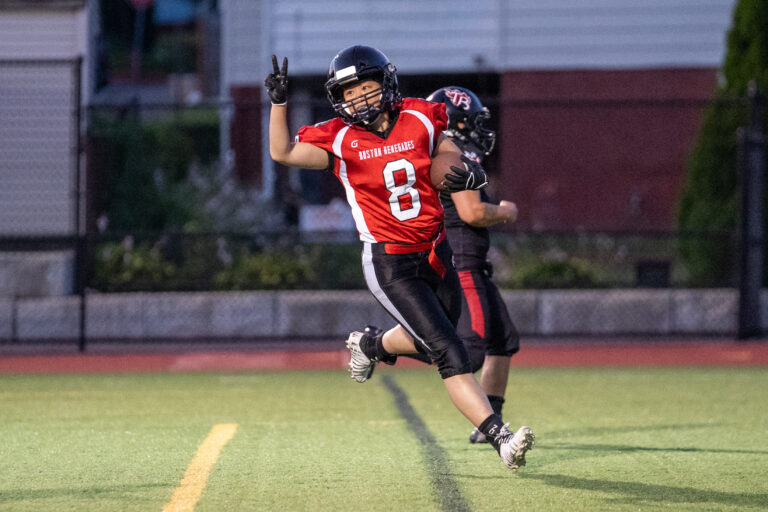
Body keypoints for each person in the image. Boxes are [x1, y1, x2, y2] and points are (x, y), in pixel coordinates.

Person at [264, 45, 534, 471]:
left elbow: (444, 163)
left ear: (386, 83)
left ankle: (371, 344)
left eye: (367, 87)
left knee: (435, 345)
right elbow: (283, 152)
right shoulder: (339, 137)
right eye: (349, 93)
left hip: (436, 252)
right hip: (390, 262)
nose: (359, 99)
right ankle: (500, 437)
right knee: (451, 351)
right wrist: (279, 104)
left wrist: (461, 172)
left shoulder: (423, 116)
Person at [362, 86, 521, 445]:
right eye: (473, 122)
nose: (479, 130)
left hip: (473, 264)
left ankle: (489, 419)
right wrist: (507, 212)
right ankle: (378, 346)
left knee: (503, 340)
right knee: (471, 350)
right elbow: (472, 211)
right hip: (463, 264)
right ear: (458, 123)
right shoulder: (453, 157)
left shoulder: (443, 152)